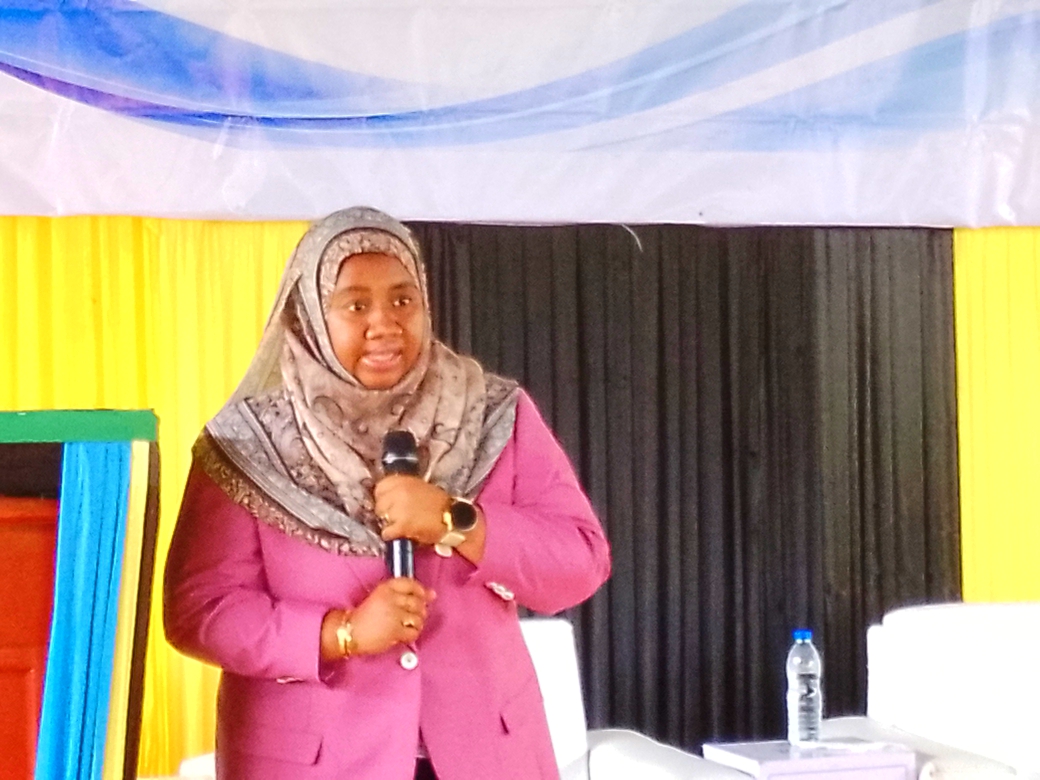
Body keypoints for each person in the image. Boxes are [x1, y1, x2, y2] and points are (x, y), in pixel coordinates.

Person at [163, 207, 612, 780]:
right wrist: (340, 633)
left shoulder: (493, 414)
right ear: (310, 314)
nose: (385, 324)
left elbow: (580, 561)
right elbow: (200, 611)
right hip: (314, 764)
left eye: (403, 300)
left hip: (485, 756)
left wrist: (456, 519)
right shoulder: (248, 445)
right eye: (355, 305)